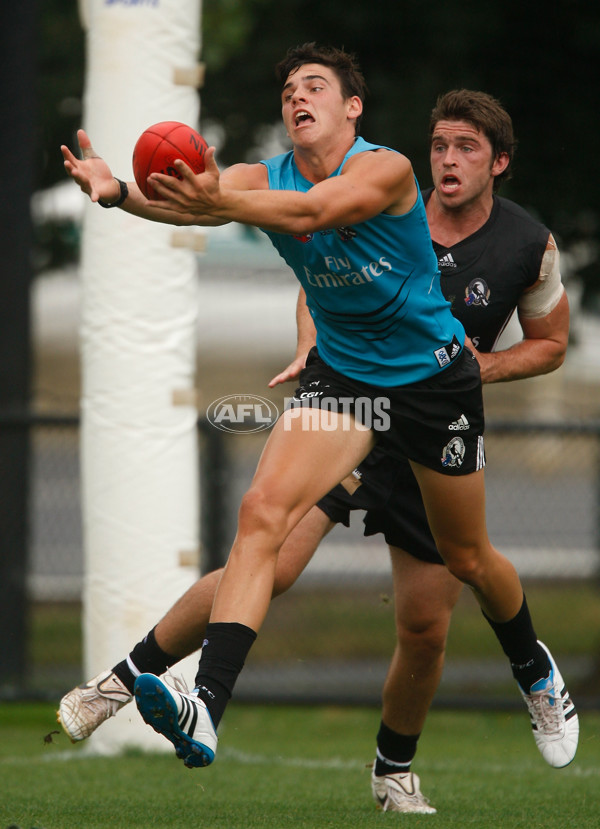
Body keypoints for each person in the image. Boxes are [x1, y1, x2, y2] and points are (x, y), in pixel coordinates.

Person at [59, 44, 577, 814]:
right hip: (345, 382)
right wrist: (120, 195)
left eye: (316, 86)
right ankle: (203, 703)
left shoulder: (387, 170)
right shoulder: (260, 179)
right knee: (262, 515)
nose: (298, 97)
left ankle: (533, 666)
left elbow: (312, 213)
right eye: (289, 91)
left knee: (468, 557)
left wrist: (212, 201)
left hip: (434, 385)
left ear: (352, 107)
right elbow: (190, 197)